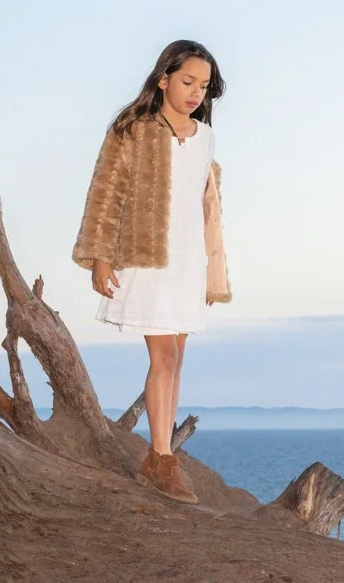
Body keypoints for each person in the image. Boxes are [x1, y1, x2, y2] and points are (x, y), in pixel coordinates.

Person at [71, 39, 232, 504]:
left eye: (203, 86)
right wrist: (99, 255)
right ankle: (161, 459)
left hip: (187, 261)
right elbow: (105, 194)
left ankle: (159, 457)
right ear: (163, 78)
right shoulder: (133, 130)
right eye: (187, 82)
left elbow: (208, 206)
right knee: (163, 358)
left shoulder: (205, 138)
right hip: (147, 258)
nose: (195, 93)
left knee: (176, 359)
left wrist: (212, 270)